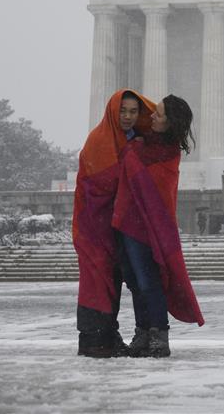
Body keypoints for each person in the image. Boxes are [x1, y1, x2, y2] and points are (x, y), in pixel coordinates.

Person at [114, 94, 205, 358]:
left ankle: (159, 335)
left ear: (170, 122)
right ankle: (142, 333)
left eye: (159, 114)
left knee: (148, 282)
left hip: (149, 225)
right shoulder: (141, 143)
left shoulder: (166, 152)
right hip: (128, 221)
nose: (151, 115)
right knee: (133, 281)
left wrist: (133, 153)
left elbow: (160, 192)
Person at [73, 89, 154, 358]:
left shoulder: (129, 138)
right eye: (123, 111)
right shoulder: (99, 140)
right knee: (97, 280)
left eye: (133, 112)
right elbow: (99, 185)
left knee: (113, 278)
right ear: (112, 111)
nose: (128, 117)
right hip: (94, 224)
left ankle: (107, 335)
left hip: (115, 225)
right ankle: (94, 339)